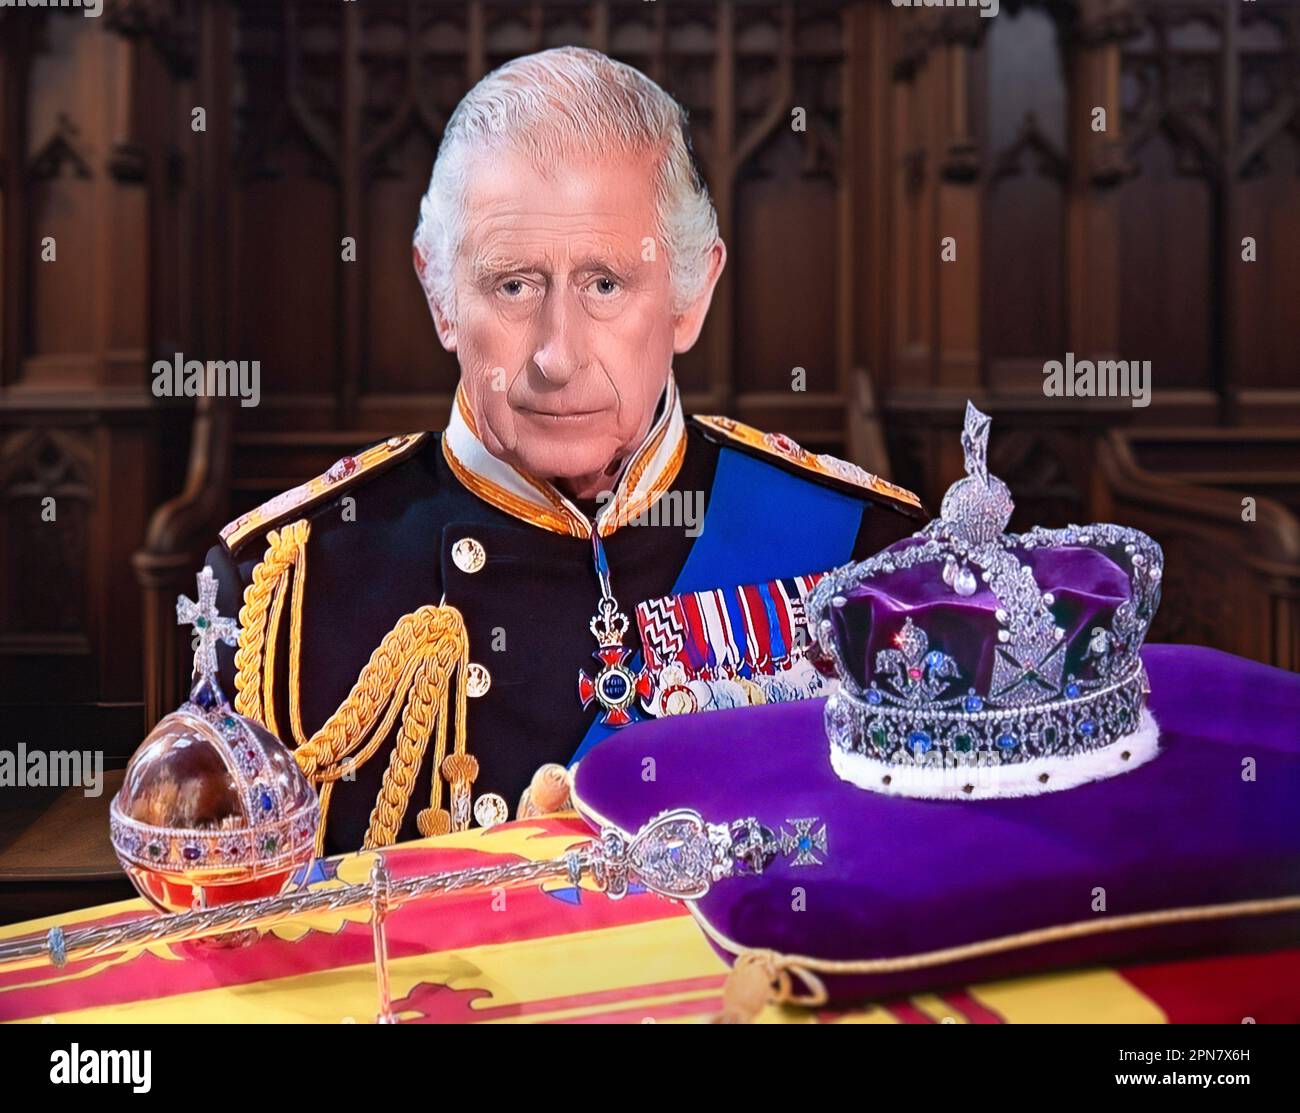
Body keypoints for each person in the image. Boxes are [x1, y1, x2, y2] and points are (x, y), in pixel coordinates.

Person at [207, 47, 923, 855]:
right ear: (441, 298)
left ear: (691, 297)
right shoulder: (287, 588)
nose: (557, 355)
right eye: (513, 285)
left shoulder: (860, 551)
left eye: (605, 284)